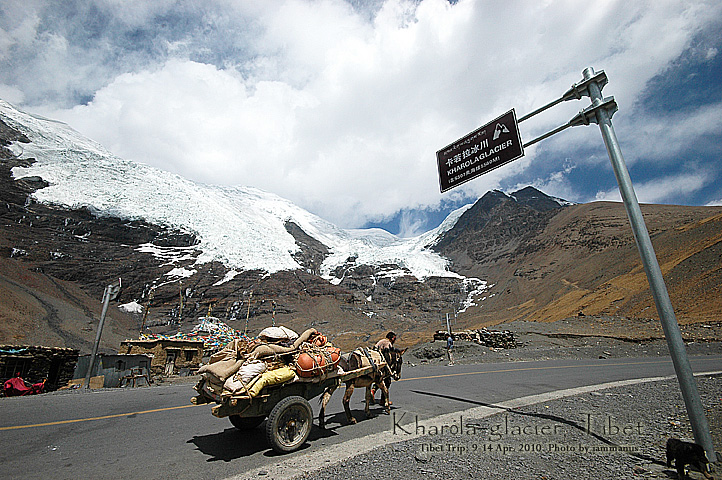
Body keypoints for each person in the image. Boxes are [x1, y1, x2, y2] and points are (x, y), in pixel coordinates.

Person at [372, 332, 406, 404]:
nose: (395, 340)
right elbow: (387, 354)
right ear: (391, 338)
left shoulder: (383, 341)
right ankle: (383, 399)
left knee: (382, 380)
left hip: (376, 360)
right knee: (387, 381)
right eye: (394, 338)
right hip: (381, 362)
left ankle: (374, 391)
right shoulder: (387, 342)